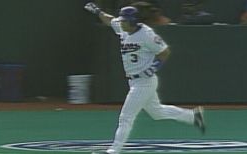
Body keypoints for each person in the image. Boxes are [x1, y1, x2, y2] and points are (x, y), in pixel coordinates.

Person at [84, 2, 205, 154]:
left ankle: (114, 150)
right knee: (157, 113)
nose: (121, 22)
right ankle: (193, 116)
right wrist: (97, 11)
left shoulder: (146, 34)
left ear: (133, 21)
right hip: (135, 81)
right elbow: (110, 20)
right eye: (121, 20)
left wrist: (153, 68)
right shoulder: (123, 28)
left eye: (124, 20)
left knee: (126, 117)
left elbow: (165, 51)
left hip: (144, 82)